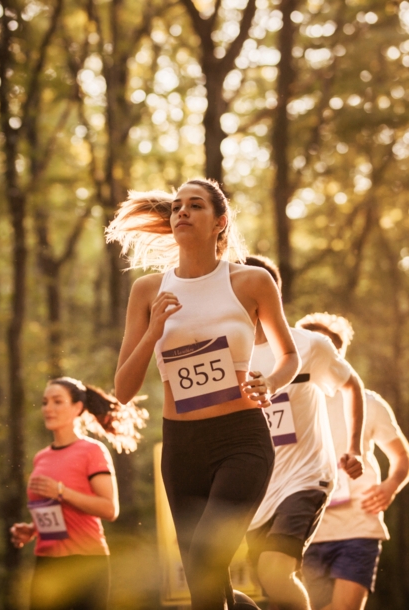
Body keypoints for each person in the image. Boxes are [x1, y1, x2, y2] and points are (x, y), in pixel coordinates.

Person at [106, 178, 301, 610]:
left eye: (195, 206)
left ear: (220, 222)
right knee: (202, 587)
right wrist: (154, 330)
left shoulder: (252, 282)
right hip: (181, 447)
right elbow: (123, 390)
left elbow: (288, 356)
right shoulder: (148, 291)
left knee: (207, 561)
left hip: (241, 439)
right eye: (176, 207)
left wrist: (270, 382)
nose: (181, 213)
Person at [242, 256, 365, 610]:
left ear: (271, 292)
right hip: (257, 489)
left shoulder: (309, 345)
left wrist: (354, 448)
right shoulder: (229, 351)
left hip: (306, 478)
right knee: (270, 586)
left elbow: (351, 385)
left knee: (276, 573)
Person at [297, 313, 409, 610]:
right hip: (304, 529)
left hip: (358, 528)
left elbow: (402, 455)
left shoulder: (369, 403)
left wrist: (390, 486)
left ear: (337, 355)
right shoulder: (287, 402)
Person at [10, 376, 147, 610]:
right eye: (45, 402)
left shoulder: (92, 451)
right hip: (46, 563)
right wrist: (33, 529)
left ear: (78, 408)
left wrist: (61, 491)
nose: (48, 408)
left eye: (57, 401)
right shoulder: (41, 457)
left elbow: (109, 509)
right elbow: (56, 510)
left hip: (86, 564)